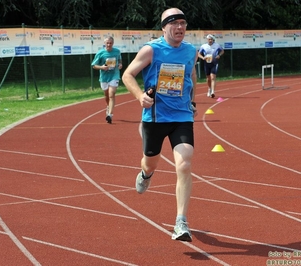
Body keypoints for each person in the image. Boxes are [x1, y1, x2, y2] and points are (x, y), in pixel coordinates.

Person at [122, 7, 198, 242]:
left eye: (183, 23)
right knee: (150, 162)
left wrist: (192, 100)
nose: (180, 28)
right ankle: (145, 174)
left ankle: (181, 222)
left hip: (182, 117)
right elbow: (127, 75)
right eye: (174, 23)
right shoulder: (151, 50)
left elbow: (192, 75)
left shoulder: (190, 51)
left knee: (184, 164)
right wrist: (139, 97)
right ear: (164, 27)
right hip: (155, 118)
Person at [91, 36, 123, 124]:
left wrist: (120, 64)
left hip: (114, 75)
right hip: (104, 77)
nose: (109, 44)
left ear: (113, 43)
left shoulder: (117, 51)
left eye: (110, 43)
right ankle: (108, 106)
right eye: (107, 43)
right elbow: (93, 65)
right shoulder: (100, 53)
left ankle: (110, 115)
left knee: (111, 94)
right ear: (104, 43)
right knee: (106, 96)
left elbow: (120, 60)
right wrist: (102, 67)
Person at [198, 34, 224, 98]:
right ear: (207, 40)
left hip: (214, 63)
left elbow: (222, 51)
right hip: (207, 64)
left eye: (211, 39)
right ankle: (209, 89)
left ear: (213, 40)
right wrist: (202, 57)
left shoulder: (217, 45)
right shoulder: (203, 46)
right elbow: (198, 53)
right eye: (209, 39)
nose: (210, 40)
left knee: (213, 77)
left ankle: (213, 91)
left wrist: (219, 55)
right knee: (208, 78)